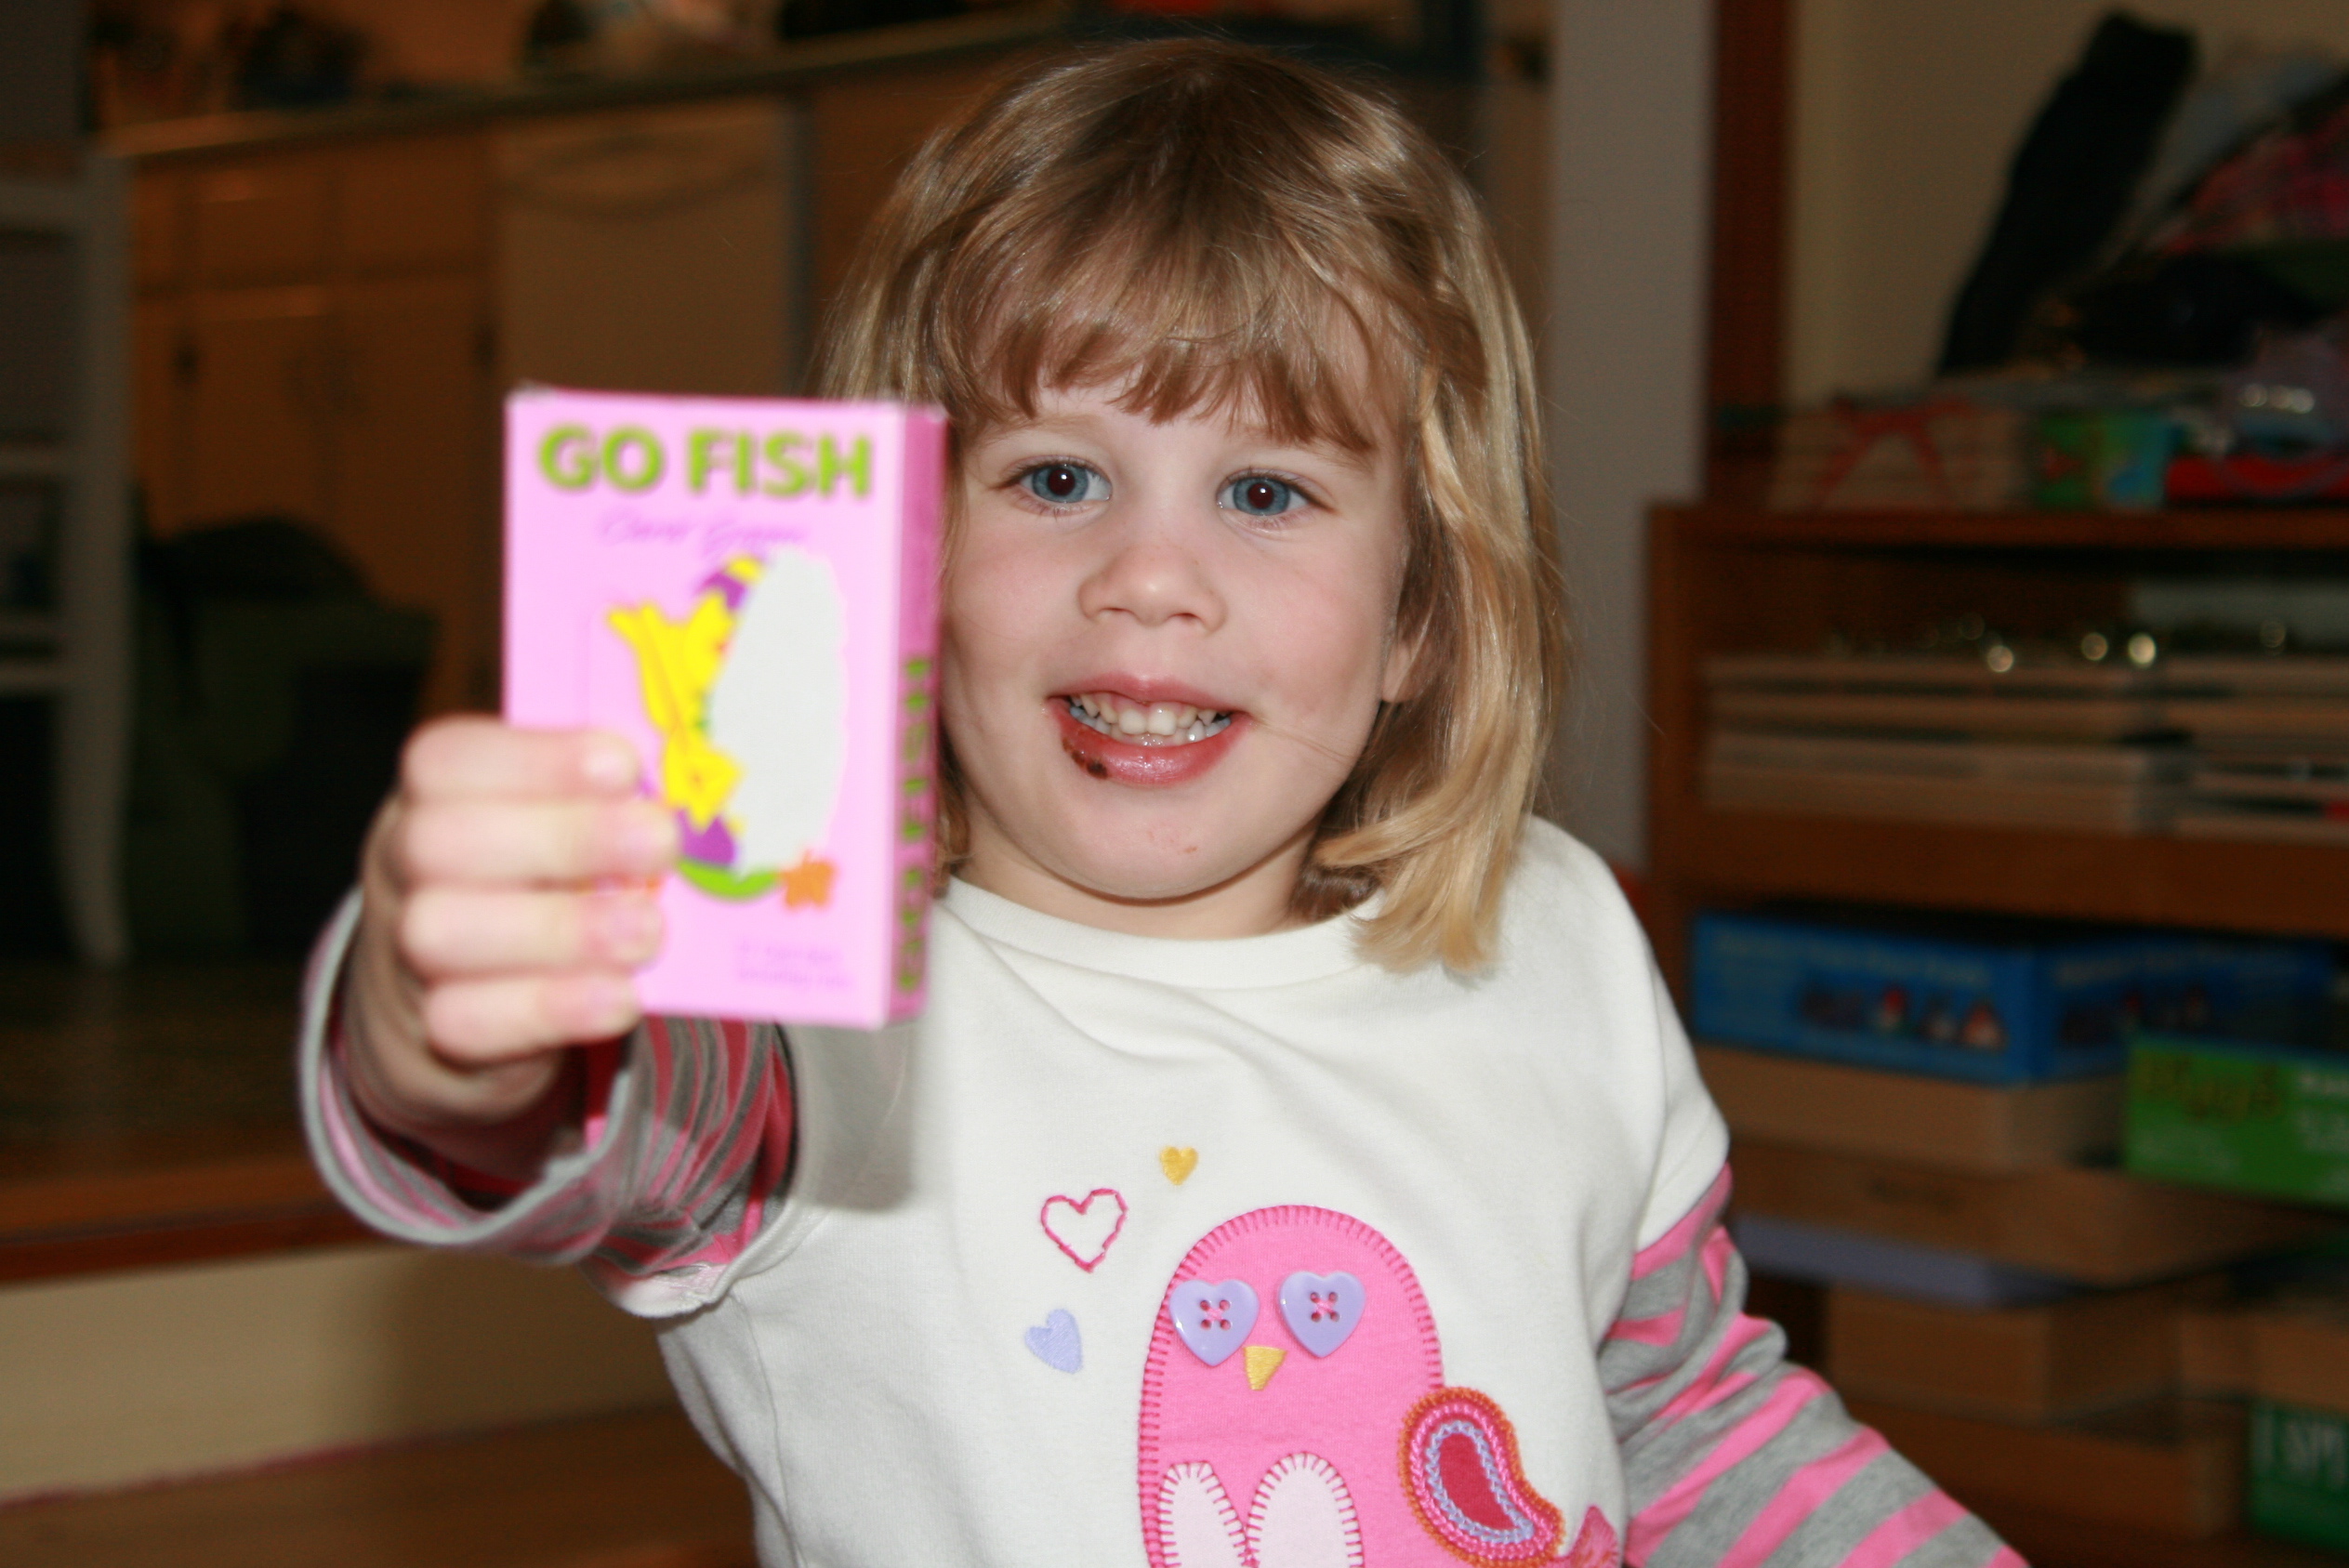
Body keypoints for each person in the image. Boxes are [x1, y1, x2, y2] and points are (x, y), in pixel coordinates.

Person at [304, 39, 2021, 1568]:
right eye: (1056, 476)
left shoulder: (1553, 935)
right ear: (900, 562)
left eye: (1265, 492)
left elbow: (1685, 1424)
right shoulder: (805, 1025)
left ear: (1421, 615)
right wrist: (447, 1033)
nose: (1148, 576)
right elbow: (579, 1123)